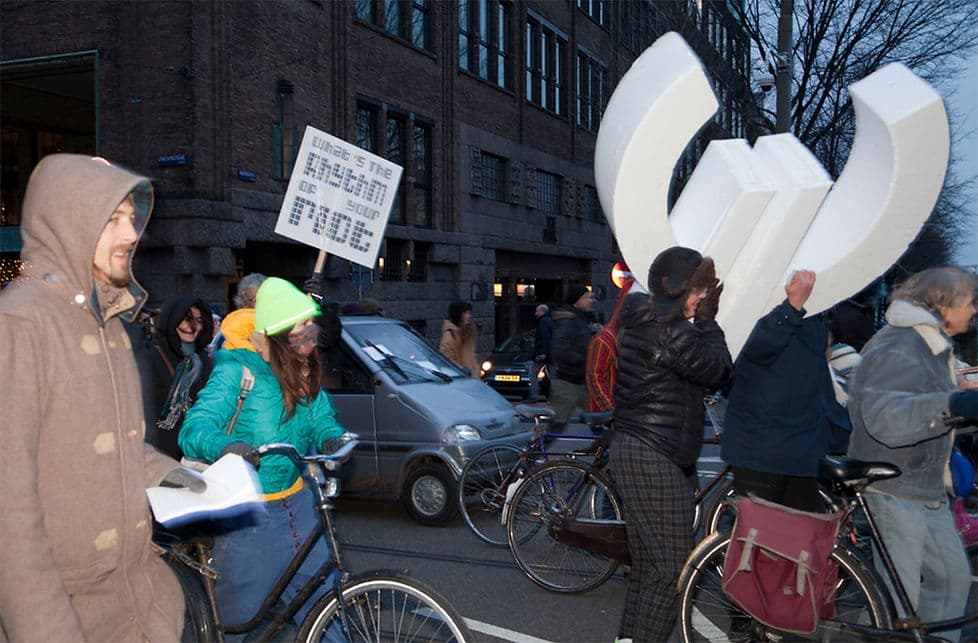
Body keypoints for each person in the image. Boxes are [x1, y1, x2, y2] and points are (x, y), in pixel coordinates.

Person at [0, 154, 186, 640]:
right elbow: (9, 516)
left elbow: (107, 450)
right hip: (69, 620)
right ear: (66, 223)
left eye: (132, 218)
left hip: (137, 611)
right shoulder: (18, 325)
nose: (131, 235)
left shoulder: (112, 325)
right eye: (112, 219)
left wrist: (185, 477)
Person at [178, 276, 348, 638]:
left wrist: (332, 439)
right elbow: (195, 428)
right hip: (248, 522)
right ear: (279, 331)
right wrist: (225, 446)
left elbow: (320, 416)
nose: (310, 332)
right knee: (238, 627)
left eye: (310, 323)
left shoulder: (302, 366)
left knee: (328, 610)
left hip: (300, 507)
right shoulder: (236, 368)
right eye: (300, 325)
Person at [846, 267, 977, 640]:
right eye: (969, 302)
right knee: (897, 601)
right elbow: (887, 419)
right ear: (942, 303)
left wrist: (962, 406)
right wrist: (954, 402)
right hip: (893, 484)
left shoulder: (928, 344)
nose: (974, 311)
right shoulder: (901, 345)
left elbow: (929, 412)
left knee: (951, 579)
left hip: (922, 484)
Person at [611, 246, 732, 642]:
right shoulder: (671, 331)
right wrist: (710, 323)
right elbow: (719, 370)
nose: (701, 299)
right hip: (652, 454)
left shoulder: (646, 320)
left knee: (649, 568)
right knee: (671, 570)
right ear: (677, 289)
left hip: (639, 448)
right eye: (698, 290)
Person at [721, 270, 840, 511]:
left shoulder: (814, 314)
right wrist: (792, 307)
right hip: (764, 448)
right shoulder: (754, 301)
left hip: (798, 448)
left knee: (800, 539)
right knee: (762, 539)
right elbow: (753, 347)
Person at [140, 295, 216, 460]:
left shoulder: (205, 359)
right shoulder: (151, 357)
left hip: (198, 453)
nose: (192, 326)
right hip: (161, 455)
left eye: (198, 320)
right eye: (185, 319)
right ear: (171, 319)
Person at [551, 285, 598, 429]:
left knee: (599, 418)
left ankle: (601, 450)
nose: (591, 300)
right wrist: (583, 359)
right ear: (576, 301)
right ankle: (536, 449)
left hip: (582, 380)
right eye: (586, 297)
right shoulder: (568, 320)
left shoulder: (582, 319)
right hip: (568, 382)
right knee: (557, 424)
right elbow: (559, 349)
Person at [585, 277, 635, 412]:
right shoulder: (605, 340)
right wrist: (610, 410)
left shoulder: (624, 337)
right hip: (606, 418)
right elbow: (594, 377)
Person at [439, 300, 479, 377]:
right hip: (461, 379)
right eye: (465, 313)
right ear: (458, 315)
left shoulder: (467, 333)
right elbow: (447, 360)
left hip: (471, 379)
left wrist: (475, 371)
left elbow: (471, 357)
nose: (468, 316)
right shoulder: (450, 335)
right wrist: (462, 372)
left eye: (468, 313)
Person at [529, 303, 554, 402]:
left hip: (543, 354)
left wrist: (543, 352)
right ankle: (555, 397)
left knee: (533, 374)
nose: (535, 313)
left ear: (543, 311)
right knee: (553, 376)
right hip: (551, 354)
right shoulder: (550, 321)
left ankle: (534, 396)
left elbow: (545, 338)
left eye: (537, 311)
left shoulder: (543, 322)